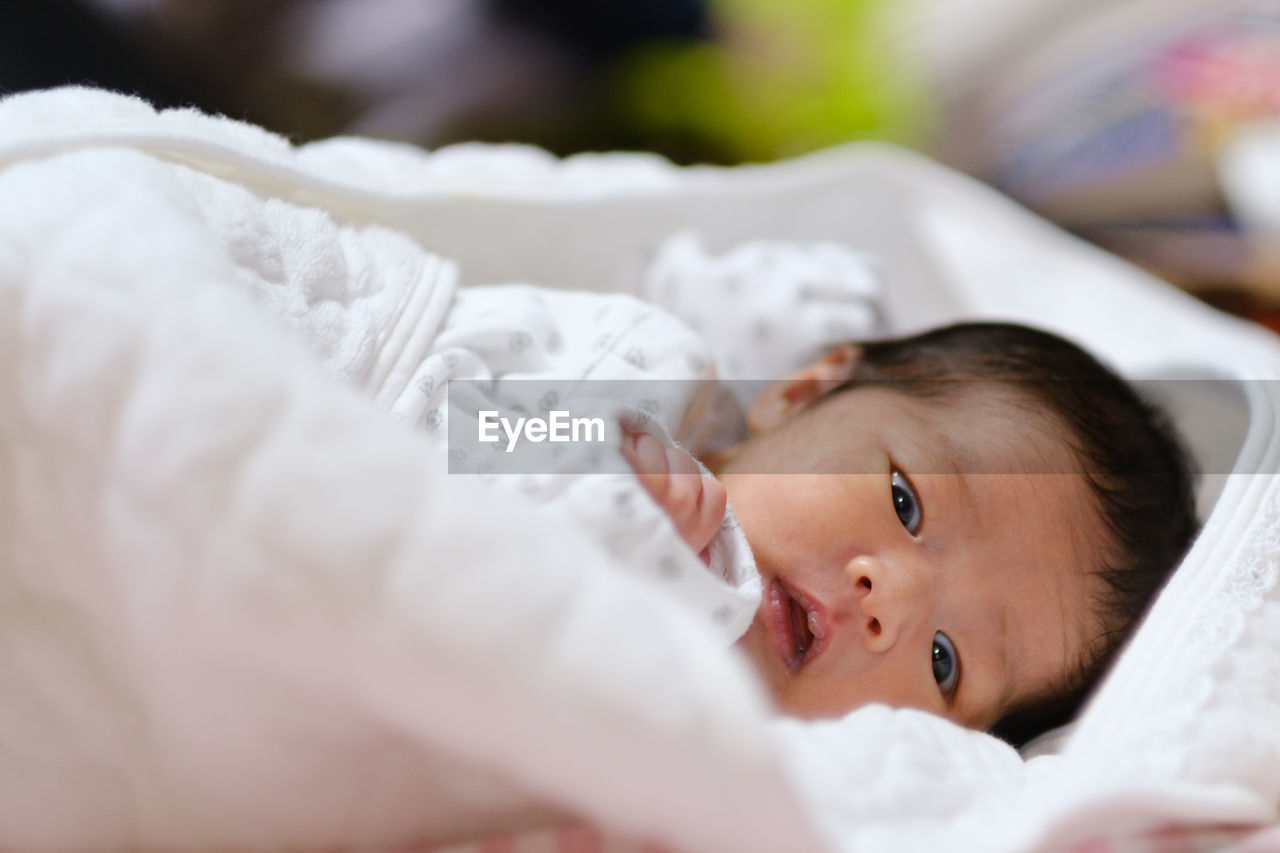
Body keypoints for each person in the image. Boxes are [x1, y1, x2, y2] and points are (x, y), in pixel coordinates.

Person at [622, 321, 1198, 747]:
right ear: (805, 393)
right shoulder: (628, 383)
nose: (892, 604)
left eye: (942, 662)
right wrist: (608, 510)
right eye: (905, 504)